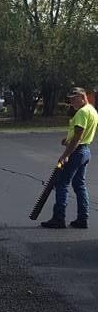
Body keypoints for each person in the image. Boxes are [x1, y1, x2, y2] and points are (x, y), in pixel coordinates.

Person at [41, 87, 98, 230]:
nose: (71, 101)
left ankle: (58, 219)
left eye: (74, 98)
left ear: (82, 96)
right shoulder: (92, 110)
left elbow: (78, 138)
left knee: (62, 184)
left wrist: (64, 156)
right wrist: (67, 138)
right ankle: (82, 218)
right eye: (70, 99)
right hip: (85, 151)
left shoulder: (82, 113)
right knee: (79, 185)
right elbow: (79, 135)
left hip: (77, 152)